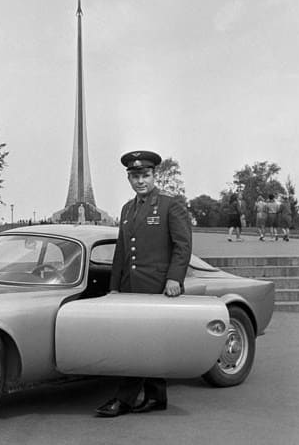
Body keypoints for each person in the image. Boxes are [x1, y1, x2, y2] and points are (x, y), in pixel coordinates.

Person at [95, 150, 192, 418]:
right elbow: (122, 251)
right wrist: (114, 286)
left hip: (157, 286)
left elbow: (183, 246)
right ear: (129, 179)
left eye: (145, 175)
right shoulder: (127, 209)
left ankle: (123, 400)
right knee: (142, 342)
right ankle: (155, 396)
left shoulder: (170, 205)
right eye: (135, 176)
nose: (140, 181)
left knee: (139, 343)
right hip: (130, 287)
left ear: (154, 176)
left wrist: (175, 278)